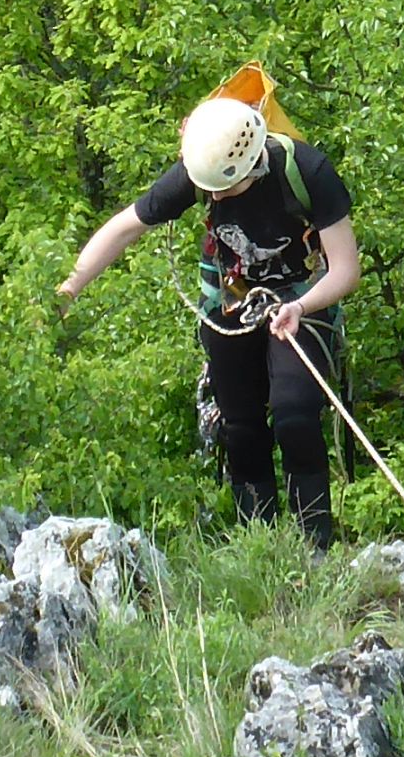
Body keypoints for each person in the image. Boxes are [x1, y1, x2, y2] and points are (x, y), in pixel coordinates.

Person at [60, 74, 359, 544]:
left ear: (252, 165)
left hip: (301, 294)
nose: (214, 199)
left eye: (224, 190)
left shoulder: (308, 172)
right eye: (209, 190)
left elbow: (345, 270)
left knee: (295, 413)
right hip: (231, 297)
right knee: (239, 425)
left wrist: (299, 307)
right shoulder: (203, 170)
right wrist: (68, 290)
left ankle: (314, 546)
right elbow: (124, 228)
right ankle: (256, 545)